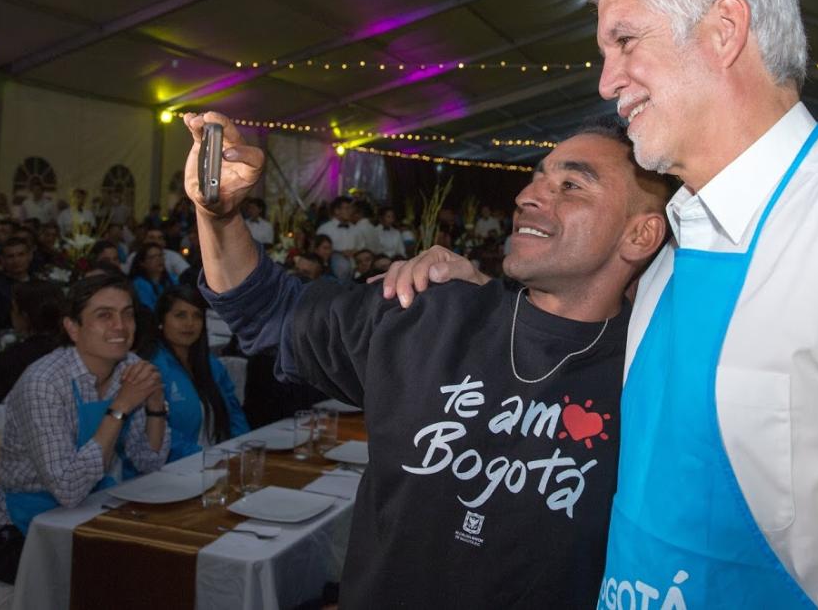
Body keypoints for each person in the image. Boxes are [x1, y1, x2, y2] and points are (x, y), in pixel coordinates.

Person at [383, 0, 818, 608]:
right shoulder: (667, 261)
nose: (606, 82)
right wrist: (481, 291)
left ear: (724, 30)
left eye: (625, 41)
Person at [184, 111, 670, 608]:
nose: (527, 197)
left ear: (641, 235)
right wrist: (217, 216)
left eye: (571, 186)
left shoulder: (658, 381)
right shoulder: (430, 312)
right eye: (537, 177)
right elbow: (266, 312)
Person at [0, 273, 169, 583]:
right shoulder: (44, 383)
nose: (120, 326)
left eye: (127, 314)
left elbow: (150, 461)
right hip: (29, 530)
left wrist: (155, 403)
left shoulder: (128, 366)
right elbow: (67, 489)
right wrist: (119, 408)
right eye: (104, 315)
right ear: (72, 327)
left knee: (166, 564)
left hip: (95, 510)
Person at [137, 286, 248, 464]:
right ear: (161, 320)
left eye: (196, 316)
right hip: (177, 470)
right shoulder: (151, 368)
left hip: (222, 461)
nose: (190, 323)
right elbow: (159, 435)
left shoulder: (211, 365)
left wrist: (241, 447)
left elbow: (234, 413)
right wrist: (209, 458)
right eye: (180, 315)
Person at [0, 280, 65, 404]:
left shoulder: (5, 363)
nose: (11, 313)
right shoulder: (80, 351)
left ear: (24, 316)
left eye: (13, 309)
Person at [128, 244, 177, 311]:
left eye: (160, 255)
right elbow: (148, 310)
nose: (159, 259)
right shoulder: (139, 284)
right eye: (152, 257)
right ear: (142, 263)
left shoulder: (173, 278)